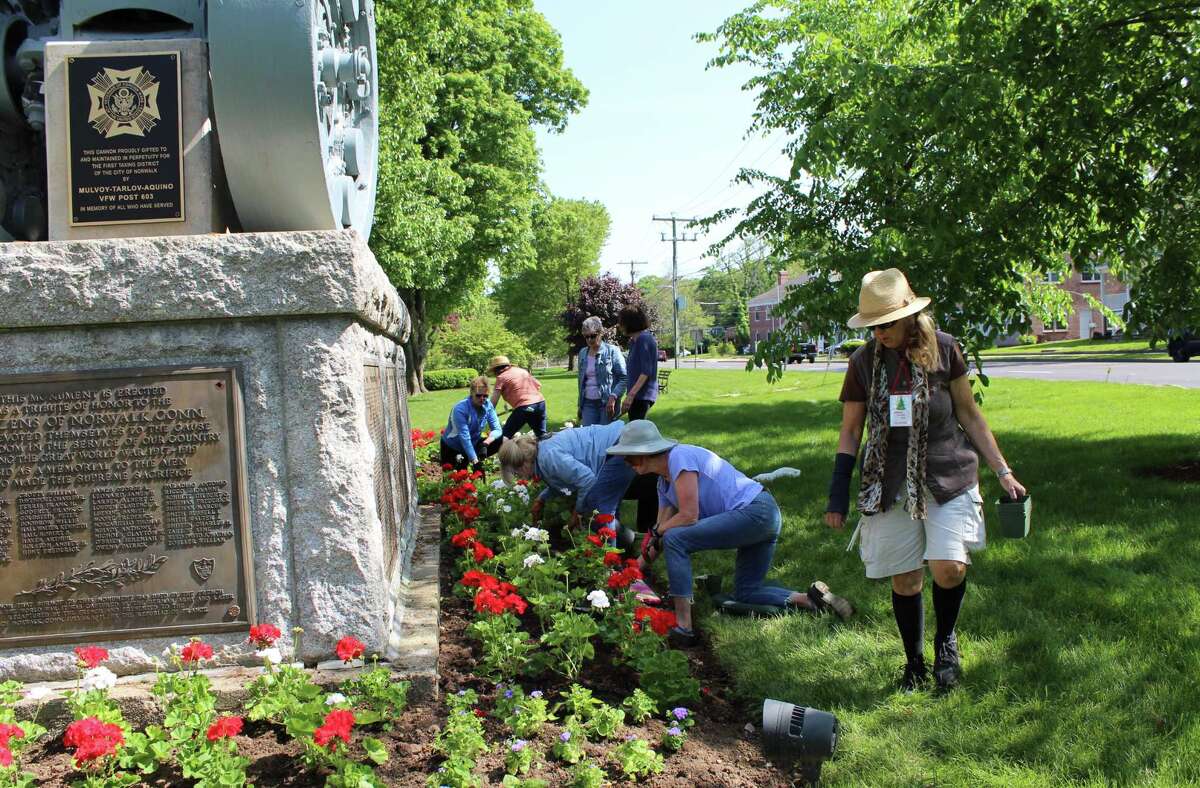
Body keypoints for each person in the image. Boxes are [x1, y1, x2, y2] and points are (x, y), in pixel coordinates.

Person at [824, 268, 1026, 691]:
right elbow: (849, 431)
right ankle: (914, 661)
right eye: (873, 326)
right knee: (906, 577)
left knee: (949, 568)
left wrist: (1002, 470)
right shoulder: (862, 363)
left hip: (947, 471)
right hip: (889, 478)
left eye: (887, 325)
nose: (880, 333)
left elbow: (969, 414)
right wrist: (837, 495)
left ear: (910, 316)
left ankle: (946, 640)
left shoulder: (945, 350)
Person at [607, 420, 853, 648]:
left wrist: (658, 531)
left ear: (643, 453)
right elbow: (658, 537)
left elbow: (688, 516)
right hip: (760, 517)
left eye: (628, 457)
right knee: (747, 592)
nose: (626, 463)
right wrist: (633, 571)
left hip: (756, 512)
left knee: (676, 539)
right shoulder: (664, 484)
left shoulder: (679, 458)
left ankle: (684, 626)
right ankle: (811, 599)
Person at [498, 423, 658, 535]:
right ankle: (622, 544)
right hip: (617, 443)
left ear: (522, 463)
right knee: (604, 506)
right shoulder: (543, 454)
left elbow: (587, 480)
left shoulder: (549, 458)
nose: (518, 476)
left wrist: (577, 513)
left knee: (601, 509)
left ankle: (610, 566)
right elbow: (564, 482)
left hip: (619, 447)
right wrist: (541, 499)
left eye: (516, 472)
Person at [439, 376, 504, 472]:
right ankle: (475, 461)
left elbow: (497, 429)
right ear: (471, 393)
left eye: (485, 396)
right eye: (478, 395)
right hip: (453, 447)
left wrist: (485, 444)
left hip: (473, 442)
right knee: (454, 482)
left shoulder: (488, 405)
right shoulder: (460, 409)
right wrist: (475, 461)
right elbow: (465, 438)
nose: (482, 398)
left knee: (502, 439)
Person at [576, 316, 627, 426]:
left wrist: (613, 397)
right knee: (589, 438)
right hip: (588, 404)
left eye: (593, 336)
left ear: (600, 333)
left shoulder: (612, 351)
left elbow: (624, 378)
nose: (589, 340)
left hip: (607, 403)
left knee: (606, 439)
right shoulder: (582, 353)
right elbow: (581, 381)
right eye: (586, 337)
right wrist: (580, 405)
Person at [487, 355, 548, 439]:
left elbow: (494, 400)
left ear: (496, 370)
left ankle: (489, 451)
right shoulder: (522, 371)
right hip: (540, 403)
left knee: (505, 435)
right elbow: (538, 385)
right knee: (542, 435)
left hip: (525, 407)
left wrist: (486, 413)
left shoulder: (501, 377)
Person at [618, 304, 659, 421]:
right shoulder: (634, 341)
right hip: (636, 395)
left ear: (629, 322)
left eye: (621, 322)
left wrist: (630, 396)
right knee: (636, 432)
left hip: (642, 396)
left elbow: (646, 372)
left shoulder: (644, 339)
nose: (620, 326)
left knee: (638, 434)